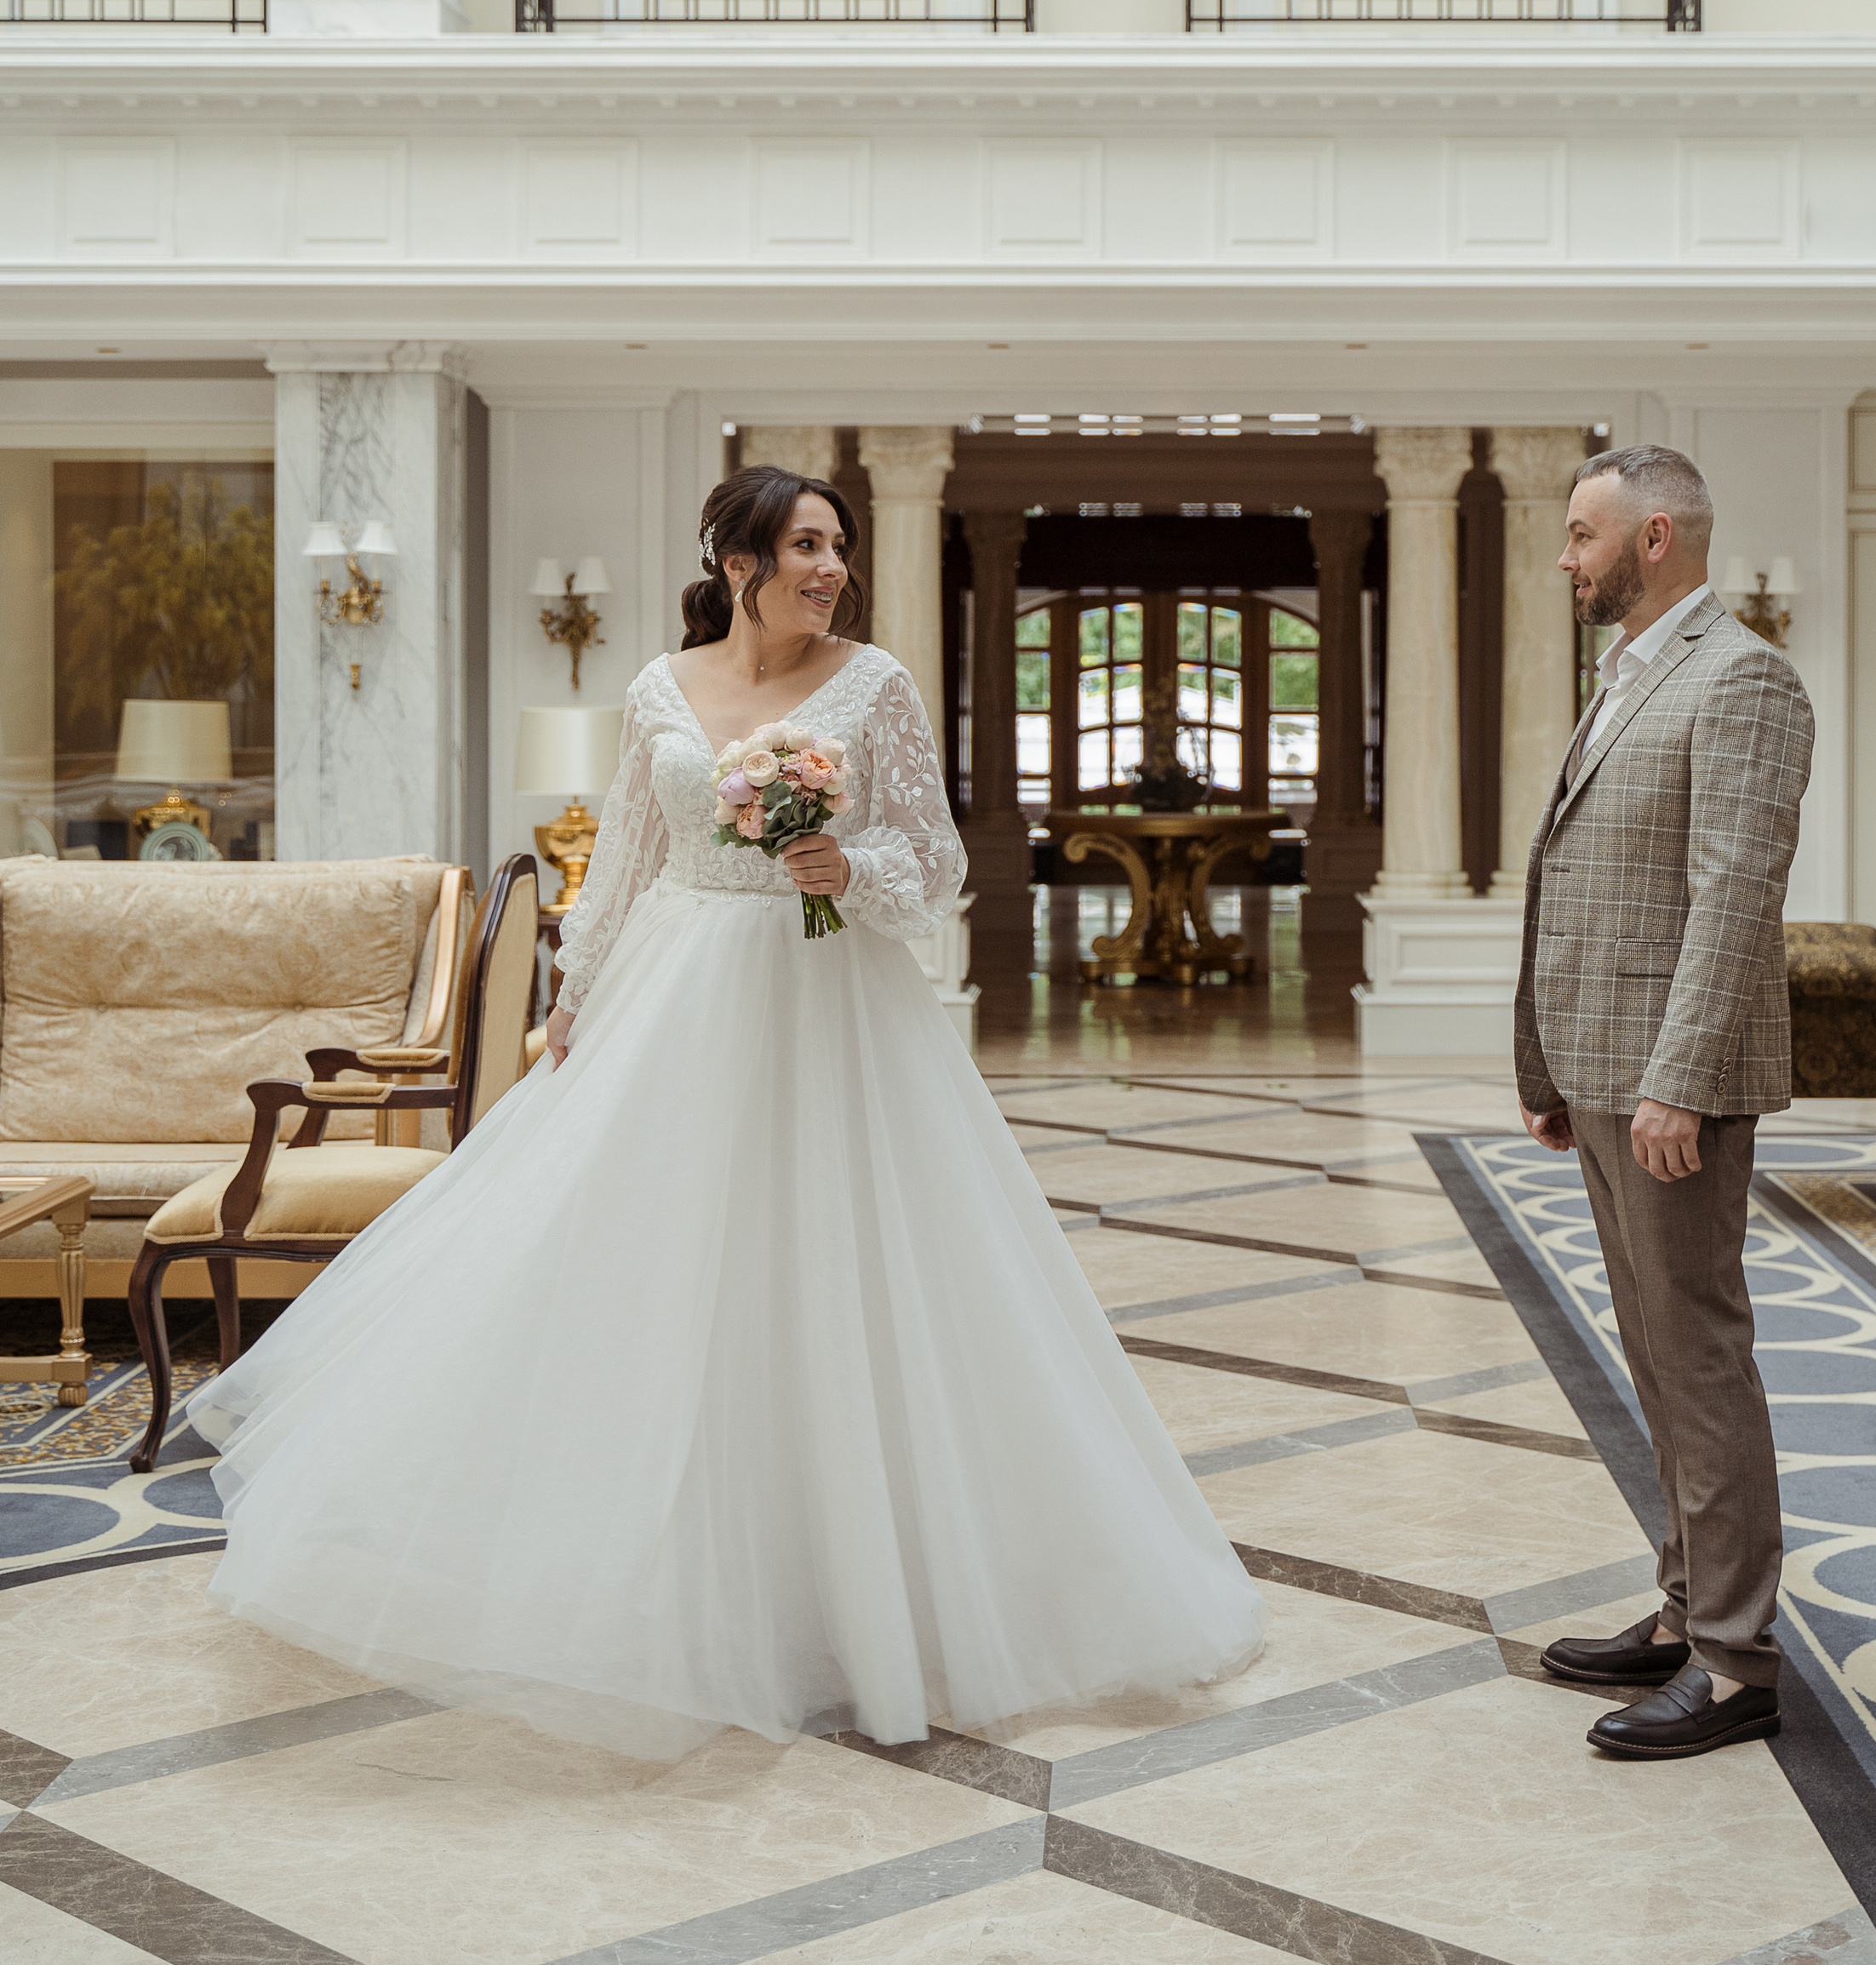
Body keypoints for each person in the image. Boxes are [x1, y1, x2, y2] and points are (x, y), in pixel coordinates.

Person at [188, 467, 1263, 1759]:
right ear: (738, 558)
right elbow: (628, 863)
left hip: (832, 1009)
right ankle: (655, 1580)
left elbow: (936, 868)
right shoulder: (657, 687)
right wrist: (572, 1001)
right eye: (806, 545)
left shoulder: (877, 686)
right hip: (672, 1008)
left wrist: (842, 865)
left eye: (839, 548)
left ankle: (871, 1596)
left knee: (846, 1283)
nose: (830, 569)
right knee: (657, 1281)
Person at [1513, 443, 1814, 1762]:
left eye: (1582, 535)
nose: (1565, 557)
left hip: (1666, 1086)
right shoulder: (1632, 674)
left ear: (1654, 540)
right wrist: (1553, 1069)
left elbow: (1734, 900)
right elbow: (1582, 882)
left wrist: (1677, 1082)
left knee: (1697, 1355)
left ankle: (1737, 1660)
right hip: (1601, 1073)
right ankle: (1688, 1607)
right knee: (1653, 1354)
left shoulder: (1743, 679)